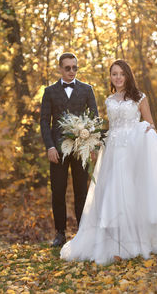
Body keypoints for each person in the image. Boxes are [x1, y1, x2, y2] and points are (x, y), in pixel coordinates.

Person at [60, 59, 157, 264]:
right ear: (111, 77)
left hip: (134, 150)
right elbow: (111, 128)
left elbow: (149, 123)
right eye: (114, 74)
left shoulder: (139, 97)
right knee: (113, 192)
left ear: (128, 76)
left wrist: (145, 132)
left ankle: (138, 239)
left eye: (121, 74)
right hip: (113, 152)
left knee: (133, 192)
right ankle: (115, 241)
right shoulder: (109, 100)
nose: (117, 77)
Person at [40, 53, 98, 247]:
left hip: (81, 149)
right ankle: (60, 233)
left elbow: (95, 120)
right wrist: (49, 146)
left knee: (81, 192)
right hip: (57, 150)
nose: (71, 71)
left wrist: (92, 146)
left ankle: (83, 232)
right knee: (58, 191)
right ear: (60, 68)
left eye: (75, 67)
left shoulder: (87, 89)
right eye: (68, 68)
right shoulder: (49, 92)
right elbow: (44, 122)